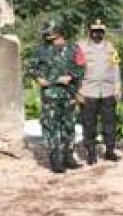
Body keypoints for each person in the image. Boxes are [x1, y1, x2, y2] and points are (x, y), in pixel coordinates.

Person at [28, 20, 86, 173]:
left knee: (69, 126)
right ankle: (55, 160)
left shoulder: (74, 48)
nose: (51, 40)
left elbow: (81, 68)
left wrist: (73, 80)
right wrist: (41, 78)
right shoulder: (41, 50)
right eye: (49, 37)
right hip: (50, 95)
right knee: (51, 127)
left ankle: (68, 157)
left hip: (69, 94)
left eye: (53, 37)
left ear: (60, 33)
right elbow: (33, 69)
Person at [78, 19, 121, 165]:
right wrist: (79, 91)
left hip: (108, 91)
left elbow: (116, 67)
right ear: (90, 32)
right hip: (89, 91)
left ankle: (109, 151)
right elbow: (77, 69)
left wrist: (117, 87)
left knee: (109, 122)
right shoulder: (82, 48)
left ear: (104, 32)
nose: (97, 34)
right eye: (95, 31)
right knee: (89, 123)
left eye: (100, 31)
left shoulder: (111, 47)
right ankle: (91, 153)